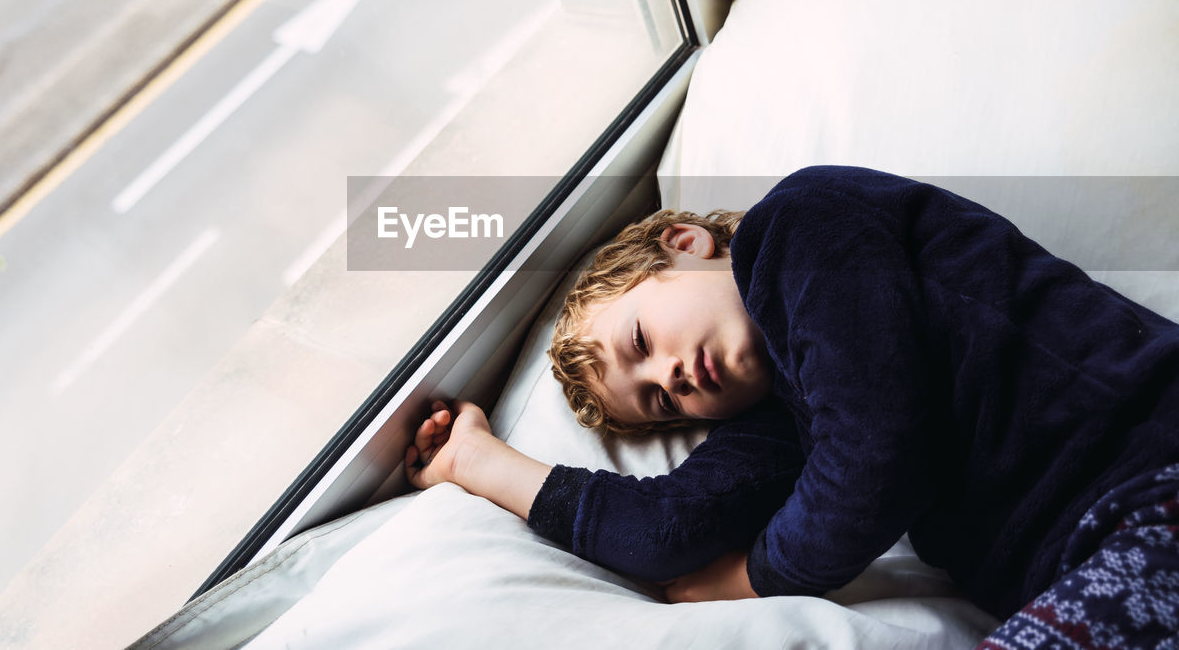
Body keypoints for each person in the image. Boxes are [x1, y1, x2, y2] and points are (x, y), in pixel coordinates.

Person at [405, 166, 1179, 648]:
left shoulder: (804, 223)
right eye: (658, 402)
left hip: (1151, 477)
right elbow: (669, 531)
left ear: (685, 243)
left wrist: (761, 573)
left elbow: (878, 452)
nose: (672, 376)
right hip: (1087, 558)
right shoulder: (784, 418)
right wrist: (477, 460)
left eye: (642, 338)